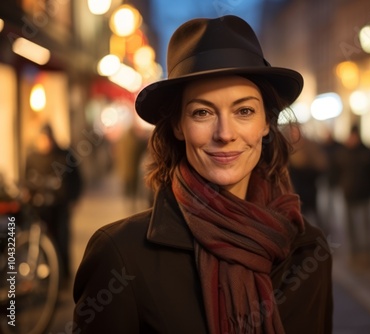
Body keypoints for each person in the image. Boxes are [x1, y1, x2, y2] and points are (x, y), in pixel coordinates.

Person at [73, 15, 333, 334]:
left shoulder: (309, 250)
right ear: (179, 126)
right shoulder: (121, 256)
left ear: (266, 122)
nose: (224, 133)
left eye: (244, 111)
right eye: (202, 112)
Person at [24, 124, 83, 285]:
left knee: (61, 240)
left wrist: (74, 199)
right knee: (41, 241)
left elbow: (77, 180)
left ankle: (63, 276)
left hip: (60, 207)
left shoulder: (65, 155)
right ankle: (47, 277)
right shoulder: (32, 157)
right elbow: (27, 180)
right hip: (40, 209)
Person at [338, 125, 370, 269]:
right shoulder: (344, 152)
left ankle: (367, 256)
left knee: (365, 226)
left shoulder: (366, 152)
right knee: (352, 227)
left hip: (364, 194)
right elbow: (338, 171)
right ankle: (354, 255)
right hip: (349, 195)